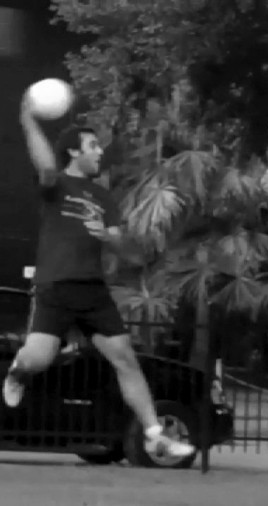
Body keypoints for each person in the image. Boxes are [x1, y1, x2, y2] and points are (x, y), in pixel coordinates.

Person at [2, 94, 195, 459]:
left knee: (124, 357)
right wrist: (28, 120)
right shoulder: (57, 185)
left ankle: (154, 432)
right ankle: (18, 373)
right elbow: (44, 168)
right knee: (38, 359)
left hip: (92, 291)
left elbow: (127, 250)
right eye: (92, 146)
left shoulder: (103, 197)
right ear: (74, 153)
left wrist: (111, 239)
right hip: (56, 286)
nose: (99, 152)